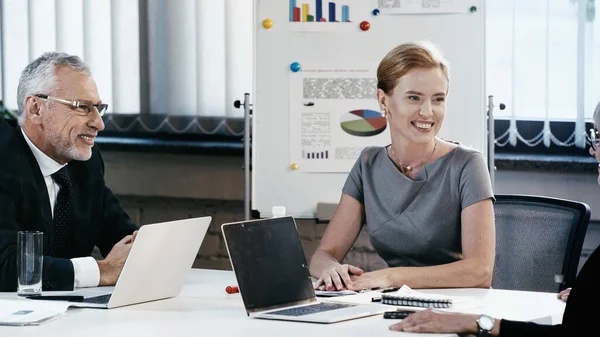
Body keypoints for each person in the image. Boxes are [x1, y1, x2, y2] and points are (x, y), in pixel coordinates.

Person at [389, 102, 600, 336]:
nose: (593, 150)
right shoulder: (372, 161)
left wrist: (480, 323)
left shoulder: (467, 163)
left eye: (598, 136)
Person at [310, 42, 495, 292]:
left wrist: (390, 277)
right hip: (392, 303)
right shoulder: (369, 163)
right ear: (383, 99)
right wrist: (331, 269)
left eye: (438, 99)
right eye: (414, 98)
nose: (428, 112)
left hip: (456, 308)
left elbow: (479, 271)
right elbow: (323, 255)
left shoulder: (468, 164)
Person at [0, 52, 138, 292]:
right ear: (35, 108)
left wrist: (147, 250)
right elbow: (6, 266)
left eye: (98, 108)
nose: (99, 123)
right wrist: (103, 270)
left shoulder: (86, 162)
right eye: (83, 108)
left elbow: (121, 239)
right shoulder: (4, 161)